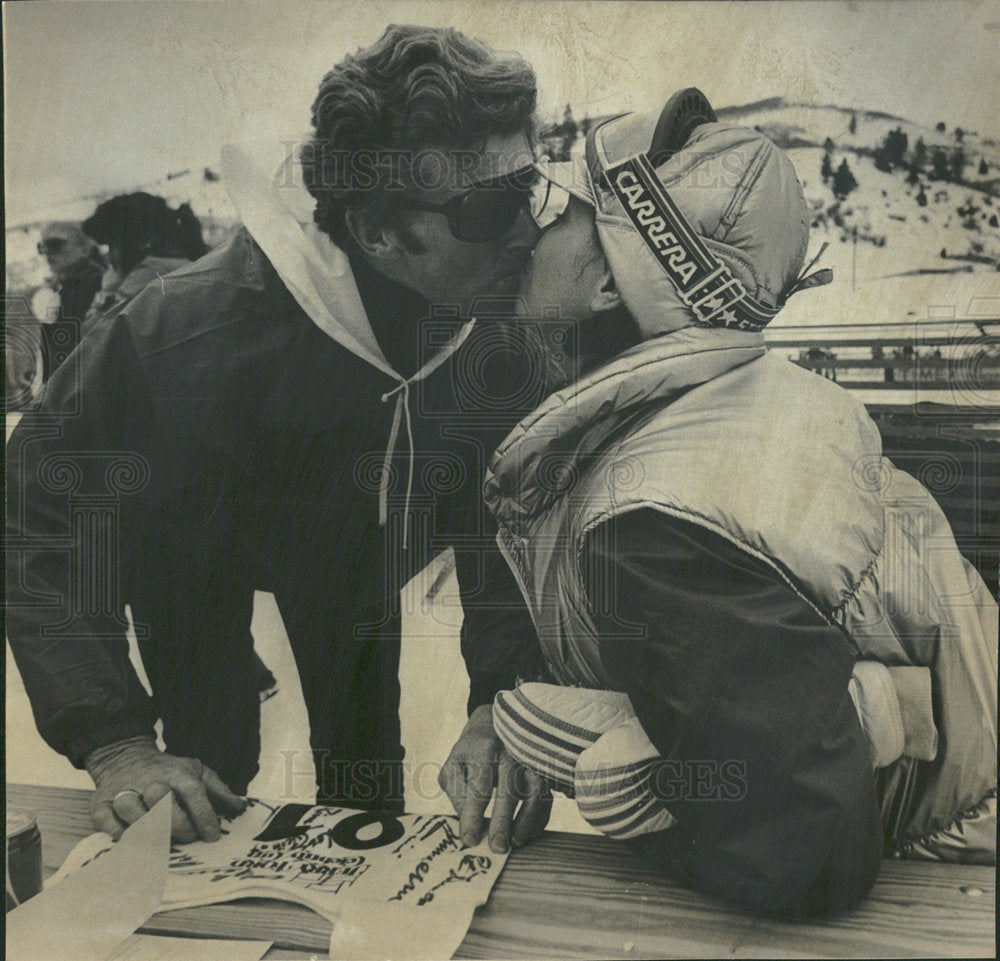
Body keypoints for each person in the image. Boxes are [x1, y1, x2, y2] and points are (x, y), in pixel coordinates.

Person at [6, 25, 549, 845]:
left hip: (349, 545)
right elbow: (35, 504)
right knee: (205, 767)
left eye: (529, 186)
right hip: (192, 538)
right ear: (378, 232)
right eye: (491, 208)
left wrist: (502, 699)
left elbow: (506, 513)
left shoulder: (493, 312)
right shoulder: (182, 331)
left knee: (364, 775)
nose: (528, 231)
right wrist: (114, 741)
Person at [458, 90, 997, 915]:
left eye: (560, 207)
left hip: (965, 876)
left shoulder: (653, 517)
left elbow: (811, 853)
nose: (527, 233)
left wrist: (641, 787)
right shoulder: (725, 407)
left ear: (607, 280)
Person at [80, 192, 209, 330]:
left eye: (113, 245)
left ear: (140, 241)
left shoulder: (148, 274)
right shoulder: (181, 266)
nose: (110, 257)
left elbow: (92, 333)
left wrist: (109, 288)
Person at [33, 221, 107, 381]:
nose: (47, 253)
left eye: (55, 245)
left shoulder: (94, 282)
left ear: (84, 249)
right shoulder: (69, 284)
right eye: (42, 247)